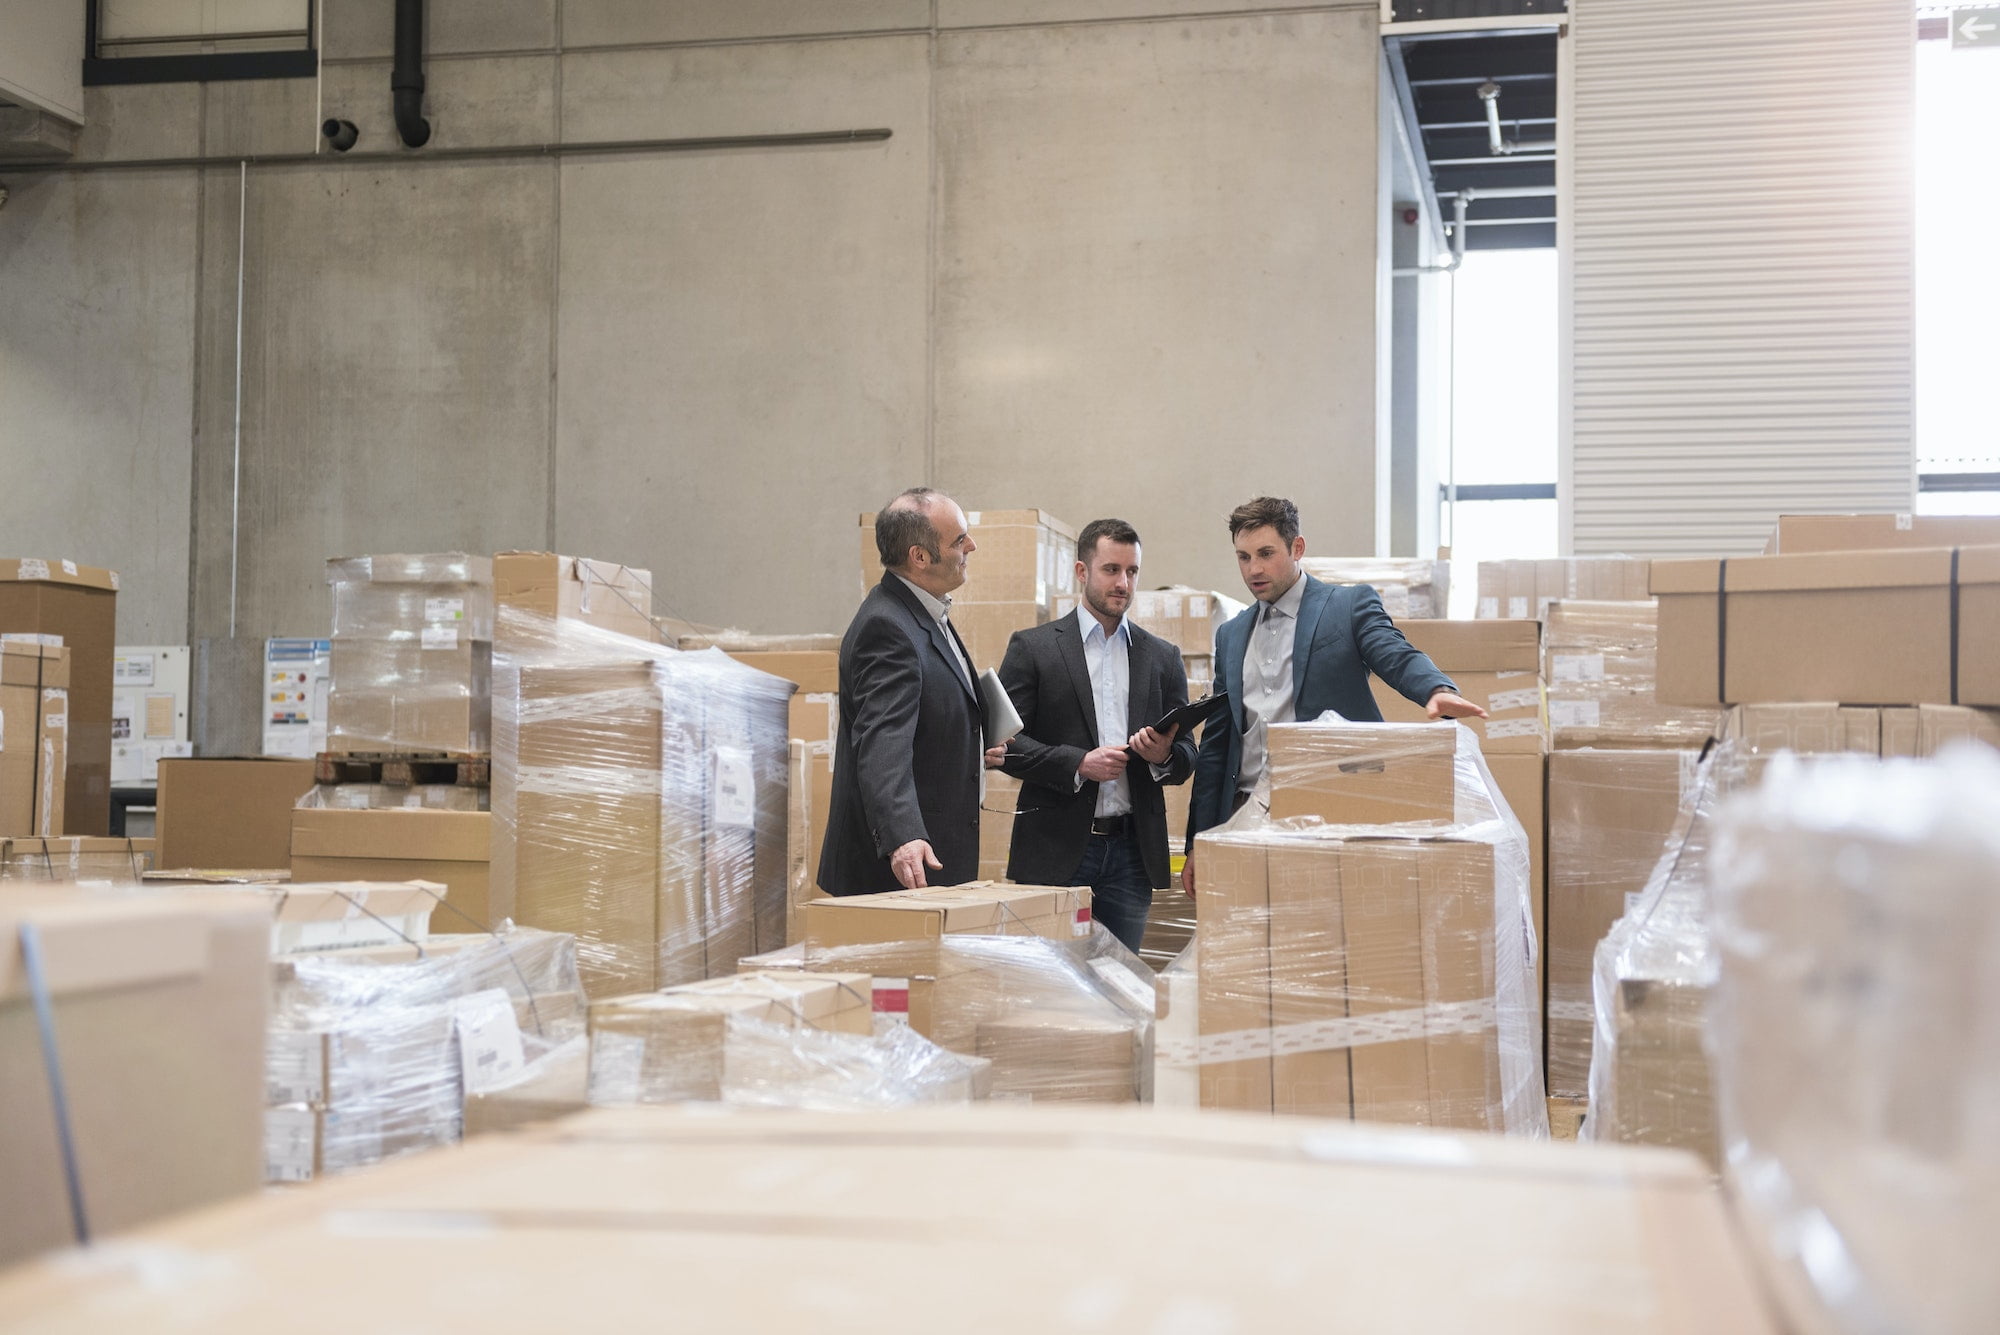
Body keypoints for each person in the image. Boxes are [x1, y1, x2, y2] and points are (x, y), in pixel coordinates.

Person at [1182, 496, 1488, 893]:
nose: (1253, 569)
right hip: (1246, 817)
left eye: (1266, 553)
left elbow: (1393, 651)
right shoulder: (1231, 634)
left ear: (1297, 548)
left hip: (1330, 810)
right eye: (1243, 557)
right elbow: (1217, 747)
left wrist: (1435, 688)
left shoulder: (1346, 606)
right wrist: (1198, 841)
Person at [996, 519, 1198, 953]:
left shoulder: (1162, 657)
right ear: (1082, 572)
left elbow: (1187, 755)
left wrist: (1164, 754)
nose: (1123, 582)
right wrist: (1077, 764)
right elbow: (1004, 746)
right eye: (1111, 569)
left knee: (1123, 984)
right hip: (1057, 848)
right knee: (1055, 990)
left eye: (1132, 571)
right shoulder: (1033, 648)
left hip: (1132, 854)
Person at [818, 488, 1007, 896]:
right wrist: (902, 837)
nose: (971, 546)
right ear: (919, 557)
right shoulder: (887, 627)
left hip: (931, 859)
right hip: (901, 870)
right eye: (959, 540)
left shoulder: (925, 612)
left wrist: (973, 741)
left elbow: (925, 714)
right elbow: (881, 742)